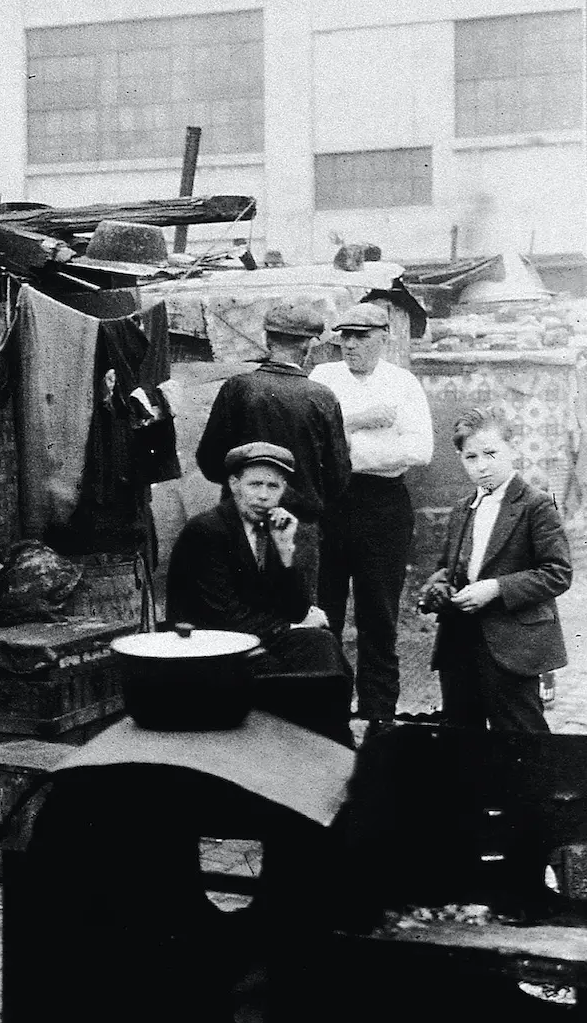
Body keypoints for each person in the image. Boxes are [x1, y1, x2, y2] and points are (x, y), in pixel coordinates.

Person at [310, 302, 434, 729]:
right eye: (345, 336)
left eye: (362, 336)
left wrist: (344, 443)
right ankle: (325, 709)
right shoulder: (322, 379)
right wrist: (364, 421)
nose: (351, 345)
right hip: (329, 505)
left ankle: (378, 713)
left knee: (377, 614)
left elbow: (420, 450)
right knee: (323, 610)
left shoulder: (403, 383)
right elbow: (313, 442)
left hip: (383, 506)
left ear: (385, 336)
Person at [417, 407, 571, 732]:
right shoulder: (463, 507)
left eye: (490, 453)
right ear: (460, 458)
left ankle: (532, 785)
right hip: (460, 640)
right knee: (462, 736)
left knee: (520, 736)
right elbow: (451, 567)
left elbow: (557, 571)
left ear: (511, 449)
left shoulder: (536, 505)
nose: (482, 465)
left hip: (513, 642)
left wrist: (497, 587)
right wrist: (440, 586)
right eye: (471, 457)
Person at [196, 301, 351, 590]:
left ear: (267, 340)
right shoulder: (322, 398)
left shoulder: (237, 388)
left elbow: (209, 461)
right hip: (297, 528)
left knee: (239, 621)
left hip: (237, 526)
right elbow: (338, 478)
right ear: (307, 347)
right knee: (296, 618)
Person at [166, 442, 350, 681]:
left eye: (273, 486)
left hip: (252, 638)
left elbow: (296, 610)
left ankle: (329, 717)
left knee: (321, 645)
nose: (263, 496)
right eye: (255, 484)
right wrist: (292, 628)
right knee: (291, 674)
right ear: (234, 485)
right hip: (207, 645)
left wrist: (285, 550)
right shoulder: (207, 531)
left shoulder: (270, 529)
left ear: (283, 489)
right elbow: (221, 614)